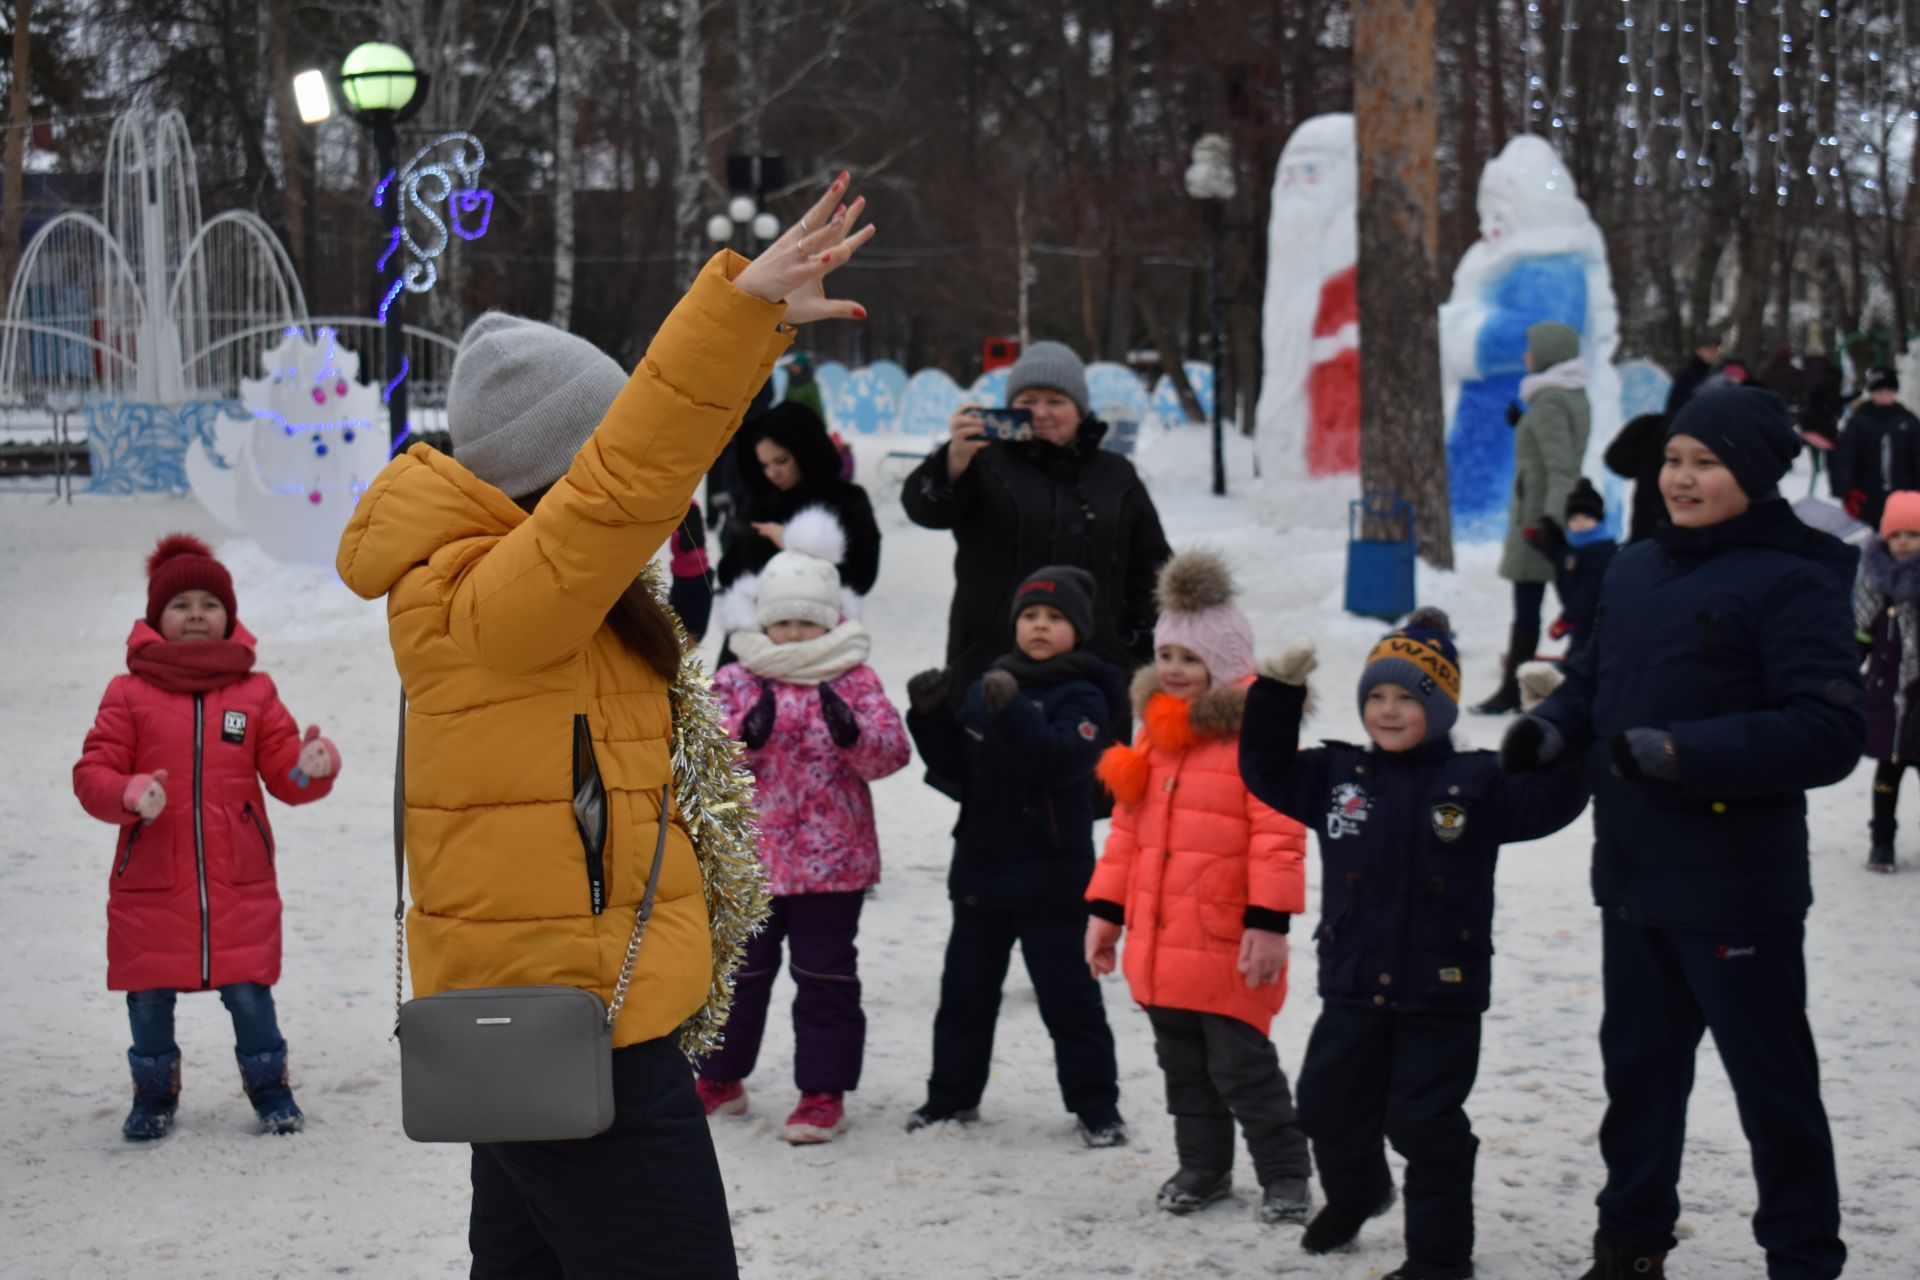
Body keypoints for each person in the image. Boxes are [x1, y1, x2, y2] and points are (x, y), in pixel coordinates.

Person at [335, 174, 875, 1279]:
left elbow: (632, 480)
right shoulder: (492, 597)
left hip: (568, 1007)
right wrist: (738, 314)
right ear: (557, 473)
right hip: (572, 1017)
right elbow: (633, 474)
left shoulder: (538, 594)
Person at [1503, 387, 1862, 1280]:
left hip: (1736, 885)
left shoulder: (1797, 577)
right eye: (1674, 459)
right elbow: (1594, 677)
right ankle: (1628, 1246)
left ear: (1755, 473)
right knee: (1639, 1081)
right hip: (1633, 876)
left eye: (1706, 462)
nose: (1682, 478)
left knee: (1772, 1091)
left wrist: (1682, 754)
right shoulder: (1635, 567)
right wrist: (1554, 726)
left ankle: (1803, 1258)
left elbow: (1828, 733)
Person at [1238, 609, 1590, 1280]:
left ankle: (1439, 1258)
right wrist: (1278, 692)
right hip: (1354, 982)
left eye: (1408, 697)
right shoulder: (1337, 776)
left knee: (1424, 1124)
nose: (1389, 711)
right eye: (1376, 695)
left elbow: (1555, 799)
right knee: (1324, 1107)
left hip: (1442, 991)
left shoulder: (1480, 782)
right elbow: (1264, 767)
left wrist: (1557, 718)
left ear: (1442, 706)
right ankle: (1358, 1193)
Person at [73, 533, 342, 1142]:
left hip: (236, 880)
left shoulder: (253, 693)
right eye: (181, 604)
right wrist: (130, 793)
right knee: (147, 1001)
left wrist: (313, 764)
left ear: (229, 618)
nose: (196, 613)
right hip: (151, 882)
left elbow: (286, 774)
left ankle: (271, 1089)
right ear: (155, 619)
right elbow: (93, 774)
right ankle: (153, 1095)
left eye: (209, 604)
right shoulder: (129, 694)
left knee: (250, 995)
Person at [1083, 552, 1312, 1224]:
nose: (1176, 669)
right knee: (1183, 1070)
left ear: (1227, 662)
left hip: (1226, 940)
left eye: (1192, 657)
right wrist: (1106, 913)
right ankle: (1204, 1165)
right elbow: (1127, 834)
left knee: (1244, 1069)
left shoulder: (1256, 740)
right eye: (1168, 654)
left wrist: (1269, 922)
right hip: (1161, 943)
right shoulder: (1155, 738)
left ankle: (1285, 1172)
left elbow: (1280, 835)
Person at [696, 510, 911, 1141]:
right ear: (761, 619)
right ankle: (720, 1076)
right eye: (783, 620)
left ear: (831, 622)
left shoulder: (854, 678)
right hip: (751, 863)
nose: (794, 633)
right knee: (738, 976)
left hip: (833, 865)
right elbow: (700, 758)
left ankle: (822, 1092)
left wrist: (853, 734)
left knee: (825, 981)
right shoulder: (734, 679)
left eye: (808, 621)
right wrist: (742, 737)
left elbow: (891, 753)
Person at [903, 565, 1130, 1147]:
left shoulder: (1087, 694)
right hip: (981, 869)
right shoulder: (990, 684)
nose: (1040, 626)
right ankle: (950, 1097)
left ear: (1076, 630)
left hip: (1053, 877)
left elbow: (1059, 763)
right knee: (965, 996)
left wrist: (1013, 713)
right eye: (1031, 616)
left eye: (1054, 618)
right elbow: (958, 773)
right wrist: (929, 719)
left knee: (1070, 999)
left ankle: (1097, 1107)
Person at [901, 340, 1171, 736]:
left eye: (1056, 400)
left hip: (1096, 669)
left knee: (1090, 788)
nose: (1042, 412)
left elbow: (1153, 568)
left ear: (1079, 409)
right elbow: (926, 510)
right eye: (1028, 399)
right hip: (993, 663)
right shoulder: (984, 461)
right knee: (993, 786)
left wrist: (1130, 641)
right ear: (1011, 405)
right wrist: (954, 459)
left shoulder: (1116, 475)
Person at [1475, 320, 1591, 714]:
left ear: (1548, 353)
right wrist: (1522, 423)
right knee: (1574, 604)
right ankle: (1539, 684)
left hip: (1539, 522)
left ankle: (1517, 689)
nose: (1526, 356)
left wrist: (1550, 526)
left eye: (1531, 349)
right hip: (1545, 517)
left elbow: (1561, 469)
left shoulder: (1551, 402)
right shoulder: (1567, 396)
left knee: (1535, 607)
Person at [717, 400, 880, 599]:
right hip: (762, 622)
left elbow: (860, 579)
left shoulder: (846, 500)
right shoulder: (761, 501)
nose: (772, 474)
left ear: (805, 452)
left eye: (781, 461)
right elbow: (728, 574)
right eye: (764, 465)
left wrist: (792, 542)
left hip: (823, 622)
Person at [1853, 489, 1920, 873]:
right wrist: (1851, 663)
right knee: (1887, 774)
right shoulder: (1874, 584)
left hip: (1918, 697)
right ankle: (1882, 840)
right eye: (1897, 535)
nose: (1905, 542)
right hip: (1886, 692)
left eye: (1913, 534)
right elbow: (1862, 632)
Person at [1523, 477, 1617, 660]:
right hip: (1582, 622)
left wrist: (1568, 618)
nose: (1580, 523)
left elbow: (1589, 592)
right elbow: (1560, 555)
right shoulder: (1575, 546)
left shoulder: (1602, 552)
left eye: (1588, 517)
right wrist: (1540, 541)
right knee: (1578, 652)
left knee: (1586, 655)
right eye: (1574, 518)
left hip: (1598, 622)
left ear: (1599, 520)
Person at [1830, 367, 1920, 531]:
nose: (1884, 395)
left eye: (1888, 390)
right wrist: (1846, 490)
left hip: (1904, 496)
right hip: (1866, 497)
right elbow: (1844, 457)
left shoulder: (1908, 421)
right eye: (1879, 391)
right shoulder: (1859, 422)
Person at [668, 500, 714, 641]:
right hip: (703, 575)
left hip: (683, 581)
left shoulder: (677, 538)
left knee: (676, 626)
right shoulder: (699, 536)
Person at [1663, 330, 1721, 416]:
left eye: (1715, 349)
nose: (1713, 353)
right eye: (1709, 349)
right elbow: (1675, 407)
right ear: (1699, 351)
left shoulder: (1717, 374)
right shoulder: (1686, 376)